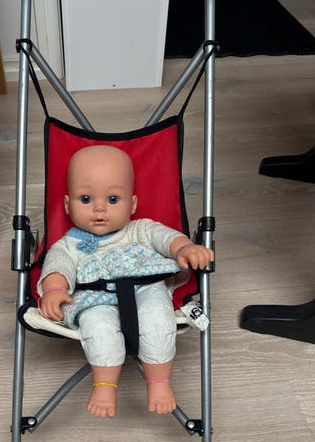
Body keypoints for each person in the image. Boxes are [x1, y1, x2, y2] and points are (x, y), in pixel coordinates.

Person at [38, 145, 214, 418]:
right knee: (98, 327)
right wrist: (55, 289)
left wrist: (184, 248)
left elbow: (165, 237)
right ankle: (104, 385)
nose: (99, 208)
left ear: (132, 205)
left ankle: (159, 381)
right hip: (94, 298)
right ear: (67, 205)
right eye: (85, 198)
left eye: (112, 199)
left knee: (158, 317)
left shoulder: (139, 229)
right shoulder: (68, 244)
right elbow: (57, 266)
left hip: (145, 287)